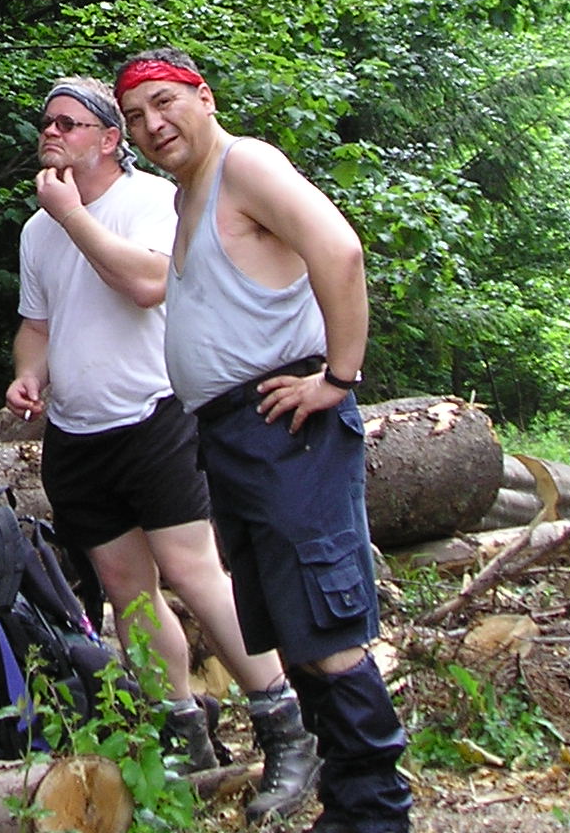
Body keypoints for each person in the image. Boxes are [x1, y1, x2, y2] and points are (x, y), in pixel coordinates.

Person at [114, 49, 413, 833]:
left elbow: (339, 249)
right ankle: (349, 808)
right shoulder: (188, 195)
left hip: (287, 427)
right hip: (231, 435)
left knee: (324, 624)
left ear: (204, 97)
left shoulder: (244, 164)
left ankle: (378, 813)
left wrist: (338, 378)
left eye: (164, 103)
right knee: (292, 626)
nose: (152, 125)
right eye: (136, 117)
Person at [9, 77, 319, 816]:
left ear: (109, 139)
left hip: (156, 415)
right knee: (128, 592)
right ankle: (184, 739)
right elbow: (37, 325)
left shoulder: (153, 201)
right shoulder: (36, 231)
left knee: (194, 572)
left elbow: (148, 283)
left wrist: (71, 216)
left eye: (68, 123)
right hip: (77, 432)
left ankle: (287, 726)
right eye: (46, 122)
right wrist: (28, 373)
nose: (51, 133)